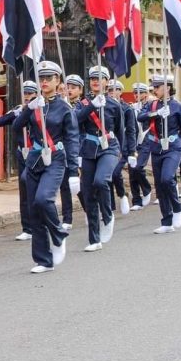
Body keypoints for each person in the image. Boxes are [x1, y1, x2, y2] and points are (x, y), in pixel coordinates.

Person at [12, 61, 79, 273]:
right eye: (42, 78)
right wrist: (27, 109)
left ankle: (58, 235)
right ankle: (43, 259)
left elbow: (72, 138)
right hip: (35, 159)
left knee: (43, 200)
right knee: (34, 209)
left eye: (49, 78)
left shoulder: (65, 108)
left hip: (56, 158)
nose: (45, 82)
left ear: (58, 80)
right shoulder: (34, 105)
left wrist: (74, 169)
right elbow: (16, 127)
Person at [76, 66, 124, 252]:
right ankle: (94, 239)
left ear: (106, 81)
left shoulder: (114, 104)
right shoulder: (84, 104)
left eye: (100, 78)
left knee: (101, 180)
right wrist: (92, 106)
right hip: (89, 149)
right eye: (92, 78)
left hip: (109, 147)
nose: (95, 81)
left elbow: (120, 129)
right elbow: (76, 120)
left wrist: (125, 152)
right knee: (88, 193)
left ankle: (108, 215)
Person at [137, 74, 181, 234]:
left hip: (173, 147)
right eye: (154, 87)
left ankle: (177, 207)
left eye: (157, 87)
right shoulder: (152, 105)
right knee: (159, 185)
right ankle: (166, 220)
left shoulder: (179, 106)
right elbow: (140, 117)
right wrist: (157, 114)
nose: (154, 90)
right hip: (157, 147)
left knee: (167, 178)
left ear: (167, 87)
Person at [0, 80, 38, 240]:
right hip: (22, 154)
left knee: (33, 190)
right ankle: (27, 228)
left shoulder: (39, 109)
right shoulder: (19, 110)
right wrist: (14, 114)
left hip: (36, 155)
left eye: (30, 93)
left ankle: (40, 223)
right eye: (25, 93)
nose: (27, 96)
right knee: (24, 192)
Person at [107, 80, 137, 215]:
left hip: (122, 146)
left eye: (115, 89)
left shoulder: (127, 109)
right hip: (107, 146)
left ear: (120, 91)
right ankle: (110, 207)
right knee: (106, 176)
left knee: (114, 173)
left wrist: (132, 151)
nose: (112, 92)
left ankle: (122, 194)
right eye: (109, 90)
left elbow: (131, 130)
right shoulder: (104, 106)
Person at [62, 74, 86, 225]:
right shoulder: (60, 104)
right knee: (64, 184)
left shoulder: (82, 106)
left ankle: (89, 210)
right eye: (68, 87)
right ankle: (67, 219)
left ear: (80, 90)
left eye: (73, 87)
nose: (70, 90)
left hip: (79, 148)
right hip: (63, 148)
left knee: (79, 184)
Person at [128, 83, 153, 211]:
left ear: (145, 94)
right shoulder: (131, 107)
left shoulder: (151, 105)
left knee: (138, 167)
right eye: (135, 93)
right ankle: (136, 200)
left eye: (139, 92)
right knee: (132, 170)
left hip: (146, 140)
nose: (136, 95)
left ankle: (147, 188)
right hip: (134, 142)